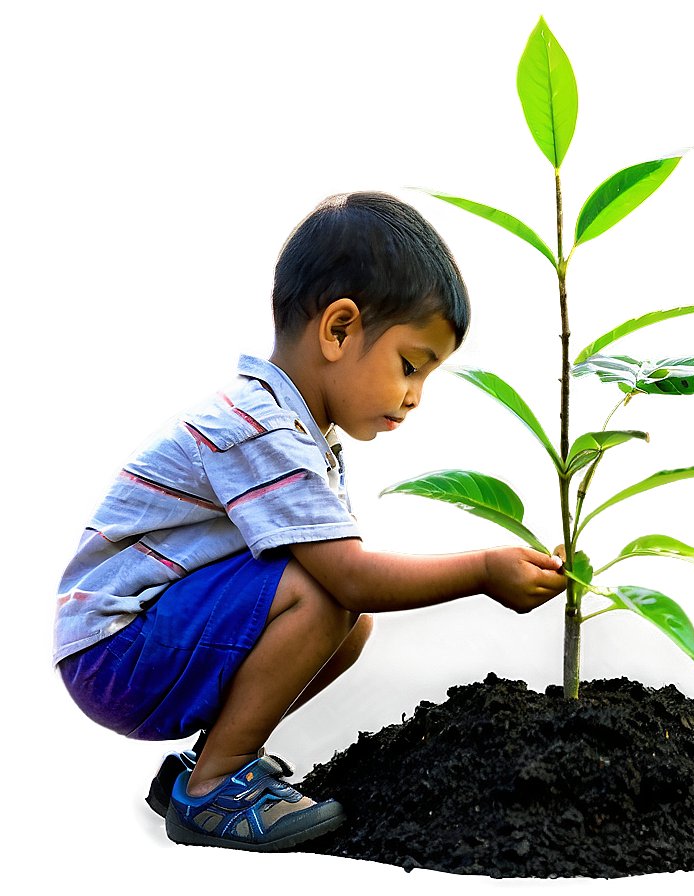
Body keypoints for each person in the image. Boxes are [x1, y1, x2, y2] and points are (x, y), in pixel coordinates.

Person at [53, 191, 567, 853]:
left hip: (135, 638)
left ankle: (210, 762)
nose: (416, 396)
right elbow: (348, 577)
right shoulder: (264, 428)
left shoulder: (294, 429)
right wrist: (482, 570)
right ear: (338, 329)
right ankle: (212, 790)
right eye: (412, 366)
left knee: (347, 626)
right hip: (114, 649)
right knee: (325, 596)